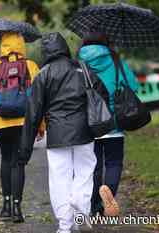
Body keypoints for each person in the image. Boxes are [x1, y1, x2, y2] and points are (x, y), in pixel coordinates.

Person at [19, 32, 97, 233]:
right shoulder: (82, 68)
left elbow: (33, 112)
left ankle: (65, 226)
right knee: (85, 172)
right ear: (65, 48)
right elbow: (100, 94)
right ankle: (80, 209)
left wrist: (25, 150)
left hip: (57, 133)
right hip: (84, 130)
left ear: (46, 52)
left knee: (59, 179)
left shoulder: (43, 74)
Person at [78, 32, 139, 216]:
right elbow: (133, 86)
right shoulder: (116, 61)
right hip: (114, 122)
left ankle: (95, 207)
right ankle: (109, 193)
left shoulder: (78, 63)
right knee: (114, 162)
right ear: (106, 42)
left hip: (90, 122)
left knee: (93, 166)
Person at [0, 33, 42, 223]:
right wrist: (41, 126)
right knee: (18, 162)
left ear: (3, 45)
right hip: (23, 122)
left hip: (0, 122)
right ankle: (17, 208)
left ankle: (5, 206)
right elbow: (38, 99)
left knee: (6, 159)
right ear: (21, 45)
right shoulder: (31, 66)